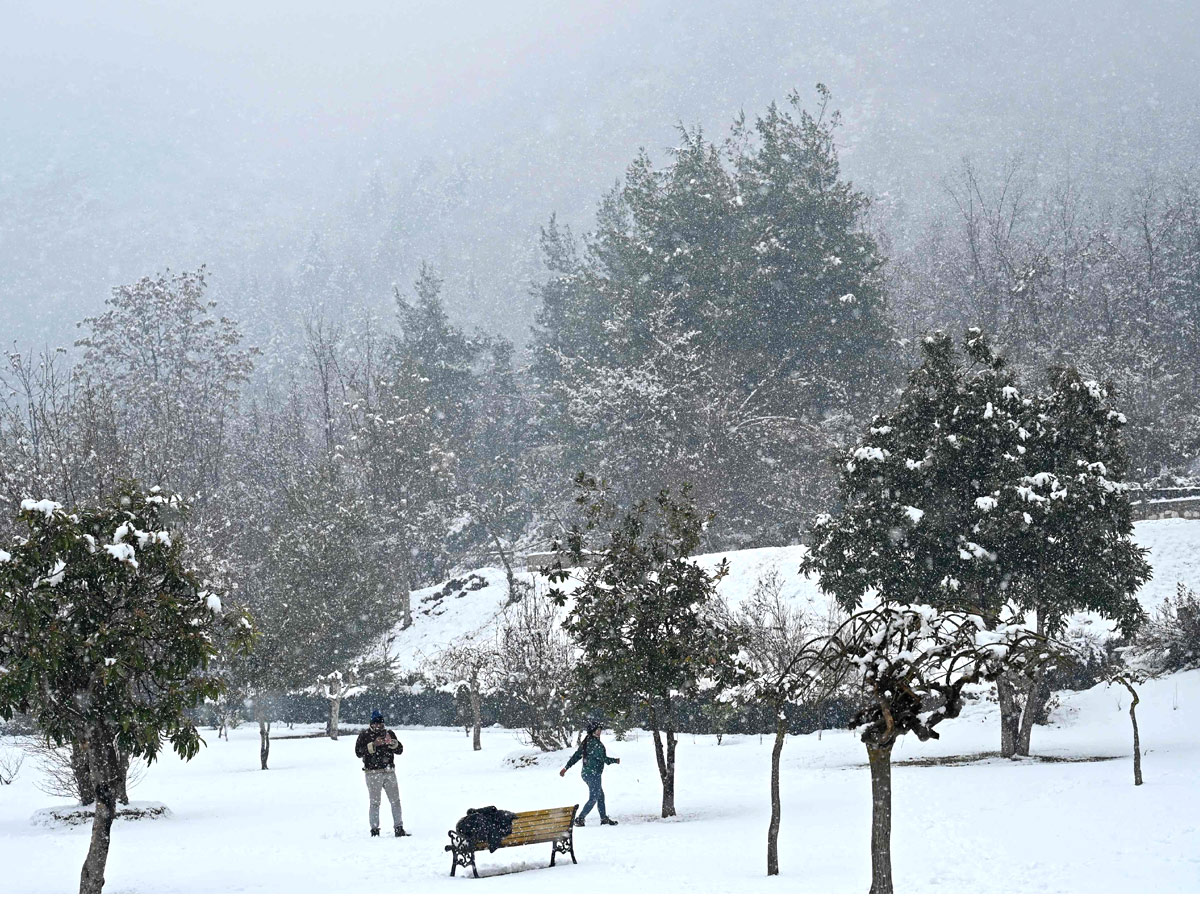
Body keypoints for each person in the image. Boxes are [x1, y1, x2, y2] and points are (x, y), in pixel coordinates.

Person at [355, 710, 409, 837]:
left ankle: (399, 828)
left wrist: (392, 743)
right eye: (376, 724)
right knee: (375, 802)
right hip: (372, 773)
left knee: (395, 801)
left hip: (389, 771)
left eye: (381, 724)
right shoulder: (364, 735)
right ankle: (374, 830)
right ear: (371, 724)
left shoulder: (389, 733)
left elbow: (400, 750)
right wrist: (373, 745)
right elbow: (358, 752)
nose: (379, 727)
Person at [559, 720, 620, 826]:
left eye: (600, 730)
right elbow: (603, 759)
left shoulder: (587, 741)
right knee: (594, 797)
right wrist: (615, 760)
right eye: (597, 730)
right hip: (593, 773)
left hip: (587, 773)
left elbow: (577, 755)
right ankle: (580, 819)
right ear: (592, 731)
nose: (599, 732)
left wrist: (566, 767)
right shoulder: (594, 743)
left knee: (600, 796)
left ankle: (603, 818)